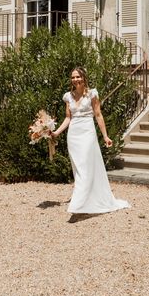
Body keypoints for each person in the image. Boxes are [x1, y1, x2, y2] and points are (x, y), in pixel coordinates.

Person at [52, 67, 130, 215]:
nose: (75, 80)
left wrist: (105, 136)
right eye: (73, 77)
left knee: (86, 167)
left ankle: (78, 206)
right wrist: (56, 132)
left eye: (78, 77)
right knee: (79, 168)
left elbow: (98, 115)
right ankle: (83, 200)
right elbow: (68, 118)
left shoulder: (92, 94)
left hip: (88, 132)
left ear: (84, 77)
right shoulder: (68, 96)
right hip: (73, 135)